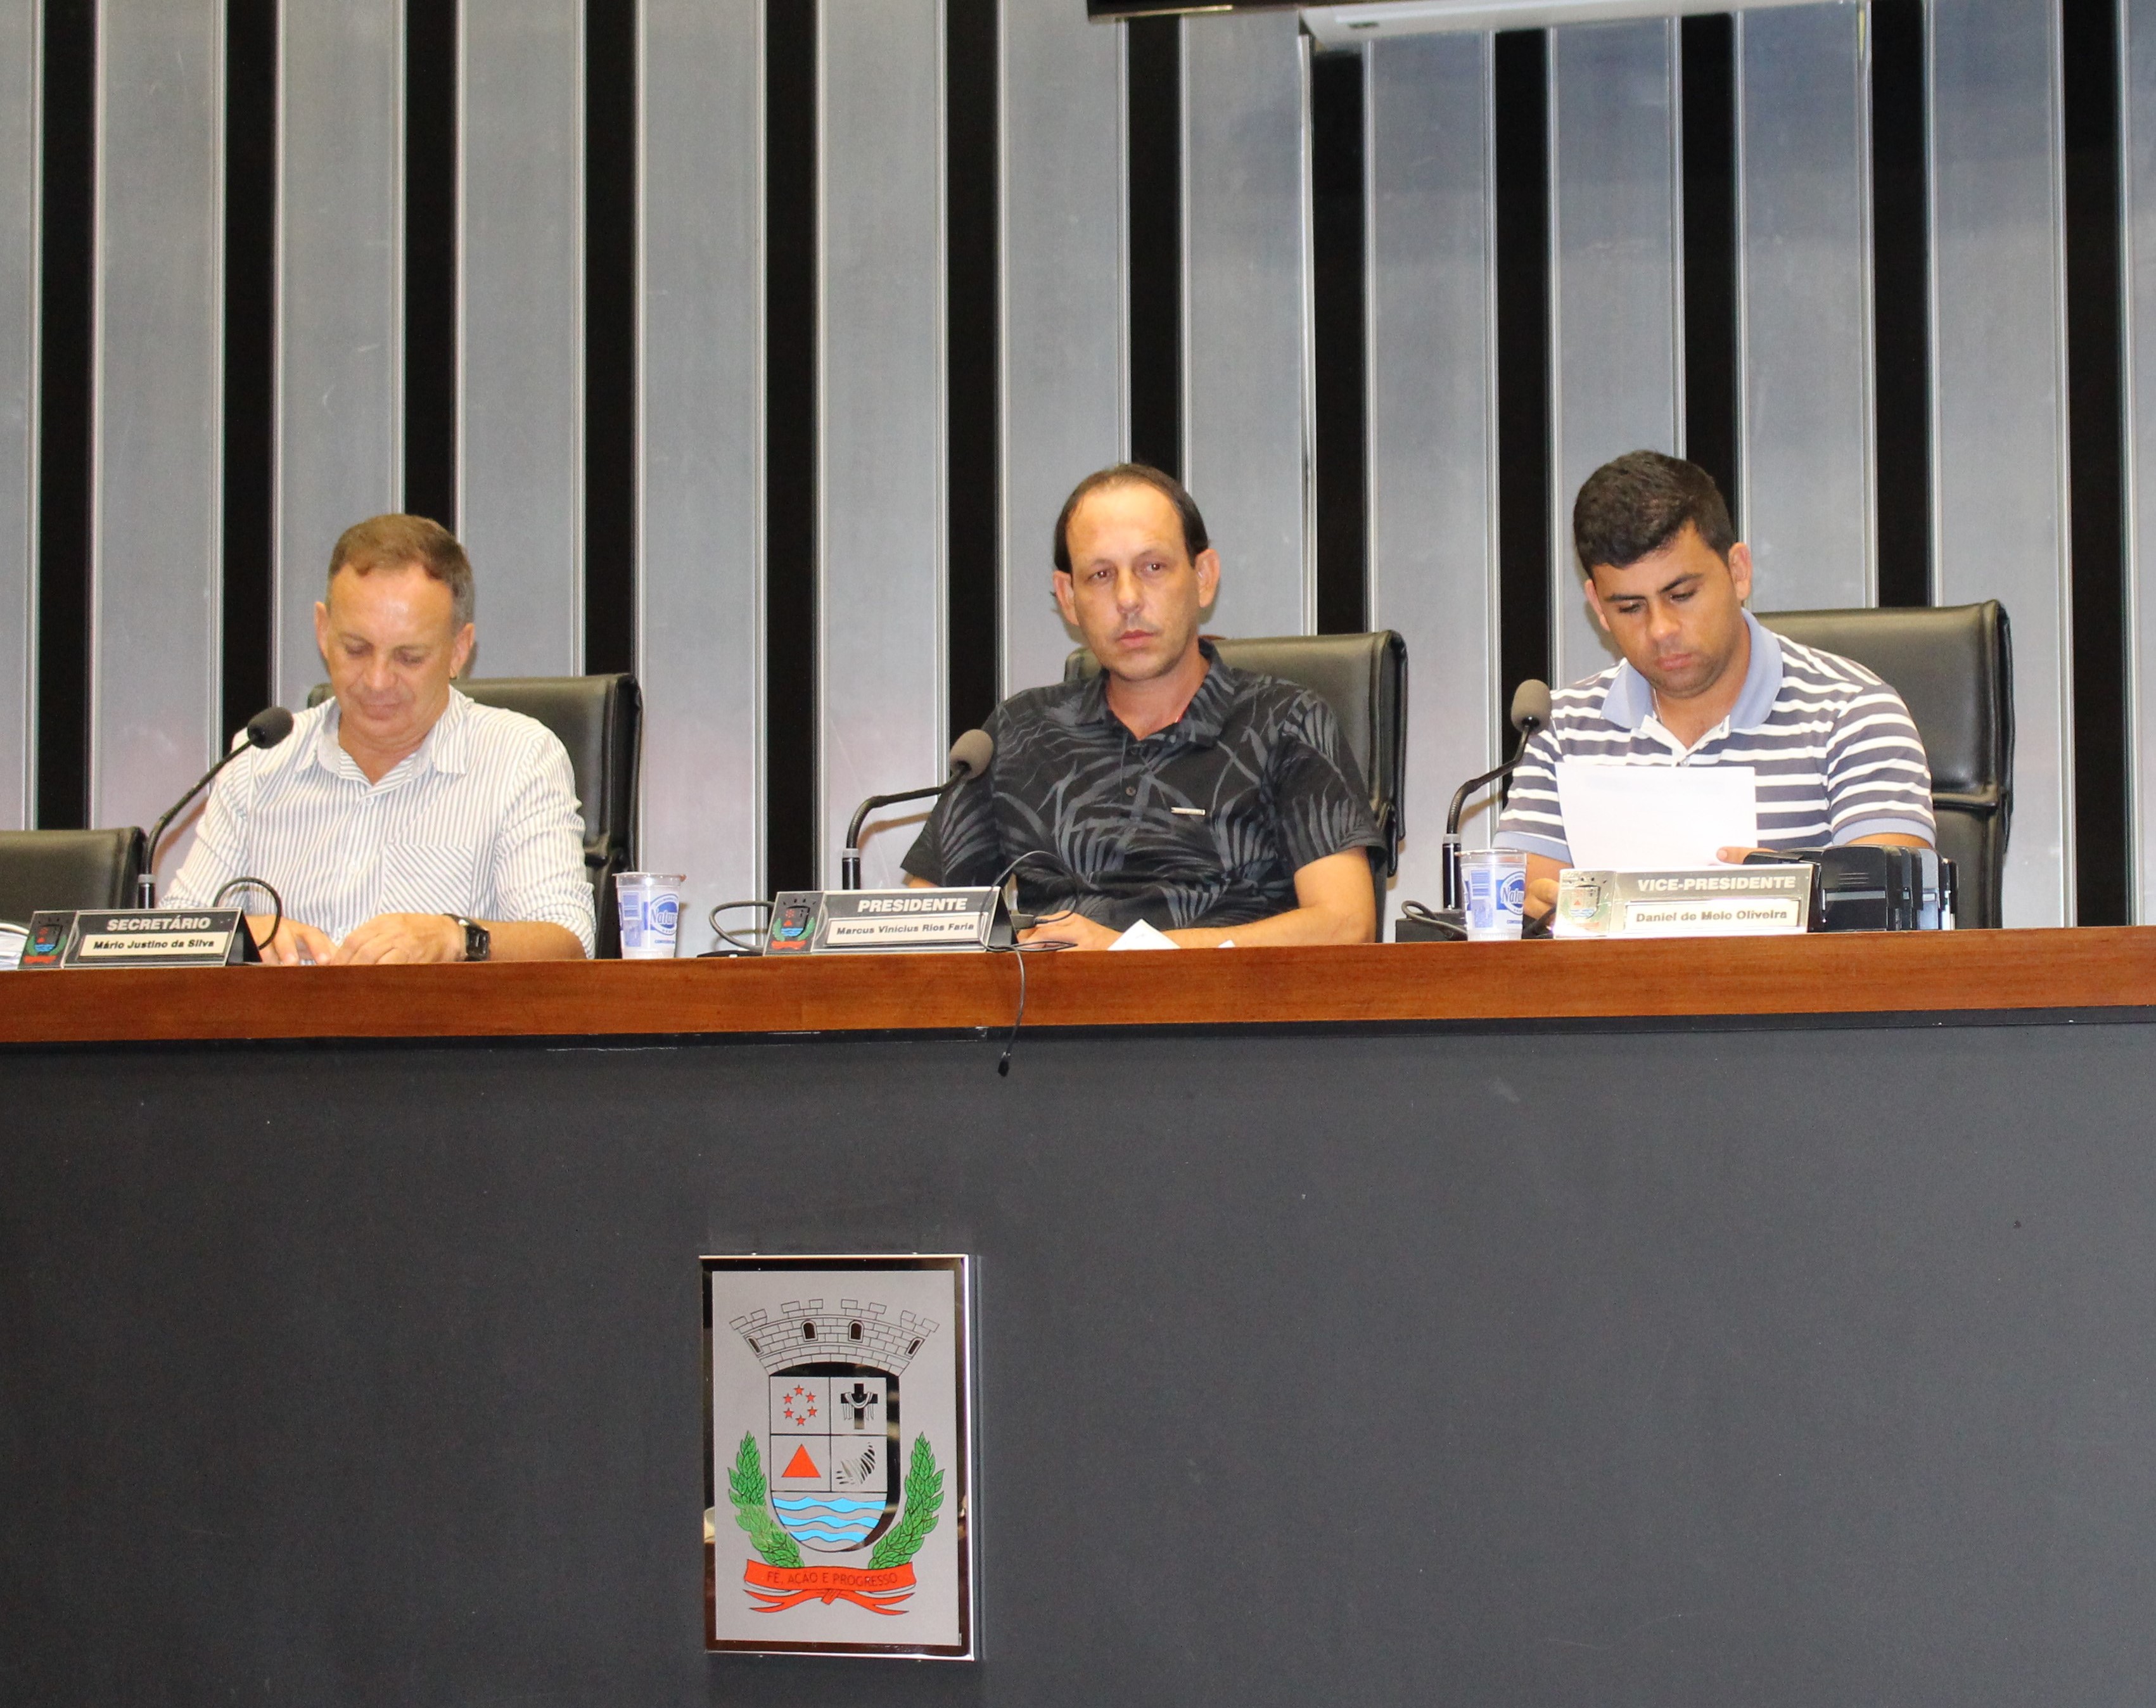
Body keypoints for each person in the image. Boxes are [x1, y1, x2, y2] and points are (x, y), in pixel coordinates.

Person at [901, 464, 1382, 948]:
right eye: (1100, 575)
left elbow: (1345, 924)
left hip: (1228, 996)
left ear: (1203, 577)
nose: (1127, 599)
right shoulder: (1019, 733)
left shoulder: (1285, 722)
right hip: (1050, 997)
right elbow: (923, 927)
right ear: (1068, 597)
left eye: (1153, 567)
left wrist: (1125, 953)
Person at [1497, 450, 1936, 917]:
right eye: (1630, 608)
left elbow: (1888, 910)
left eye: (1682, 595)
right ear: (1598, 606)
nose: (1661, 629)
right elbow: (1522, 906)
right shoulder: (1560, 729)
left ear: (1738, 572)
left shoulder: (1852, 713)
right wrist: (1541, 911)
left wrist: (1781, 895)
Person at [167, 514, 595, 963]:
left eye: (408, 657)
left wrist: (455, 937)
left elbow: (568, 942)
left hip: (438, 1011)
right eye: (356, 649)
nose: (376, 680)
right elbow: (172, 937)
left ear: (458, 651)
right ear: (323, 631)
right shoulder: (259, 759)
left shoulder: (519, 757)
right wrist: (241, 934)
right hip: (284, 1011)